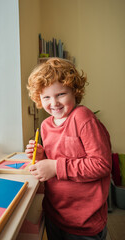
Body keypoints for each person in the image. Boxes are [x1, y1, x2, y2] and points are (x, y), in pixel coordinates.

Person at [25, 57, 112, 240]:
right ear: (38, 98)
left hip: (84, 222)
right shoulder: (46, 125)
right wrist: (41, 156)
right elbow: (55, 159)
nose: (54, 102)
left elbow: (101, 164)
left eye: (61, 94)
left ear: (74, 91)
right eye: (46, 97)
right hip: (55, 214)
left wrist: (56, 167)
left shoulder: (83, 117)